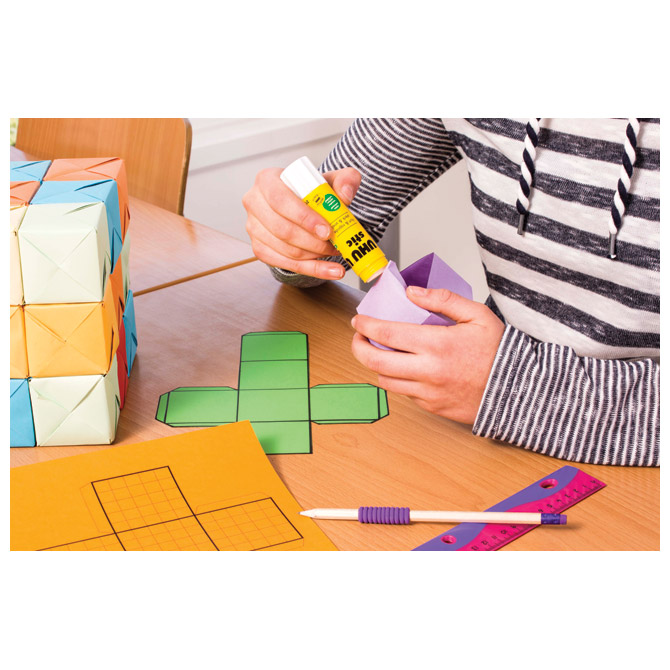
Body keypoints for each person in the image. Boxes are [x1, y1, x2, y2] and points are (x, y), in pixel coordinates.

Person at [242, 118, 660, 467]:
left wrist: (517, 388)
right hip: (483, 439)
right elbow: (334, 216)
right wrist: (290, 237)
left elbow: (511, 387)